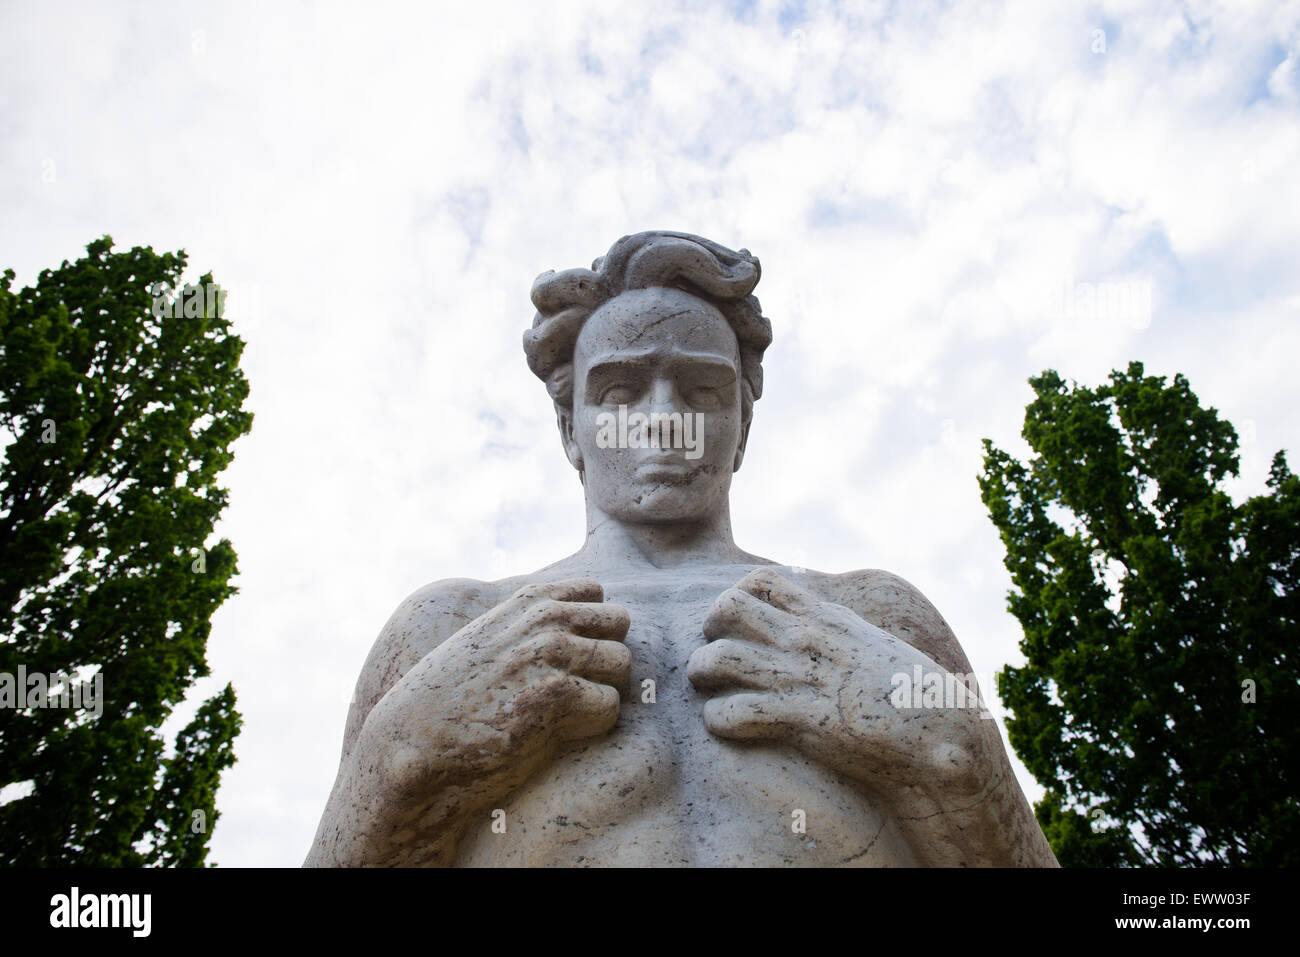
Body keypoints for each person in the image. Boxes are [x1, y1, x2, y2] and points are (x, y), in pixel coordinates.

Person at [304, 231, 1059, 867]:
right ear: (571, 427)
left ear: (744, 423)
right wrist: (390, 769)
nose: (665, 419)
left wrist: (958, 759)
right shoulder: (449, 627)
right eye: (622, 390)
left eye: (701, 389)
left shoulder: (873, 614)